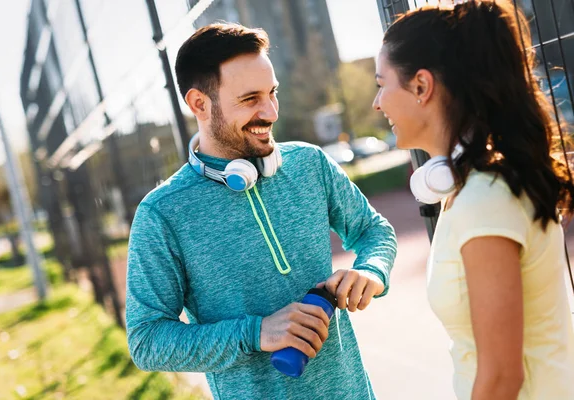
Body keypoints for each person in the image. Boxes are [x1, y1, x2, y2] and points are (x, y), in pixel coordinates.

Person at [125, 23, 397, 400]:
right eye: (251, 99)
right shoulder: (162, 213)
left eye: (272, 93)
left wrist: (372, 270)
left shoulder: (310, 164)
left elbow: (373, 231)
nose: (270, 112)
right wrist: (256, 332)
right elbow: (147, 341)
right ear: (199, 104)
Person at [373, 1, 574, 399]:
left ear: (421, 86)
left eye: (382, 83)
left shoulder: (484, 200)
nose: (377, 103)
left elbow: (502, 377)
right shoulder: (471, 191)